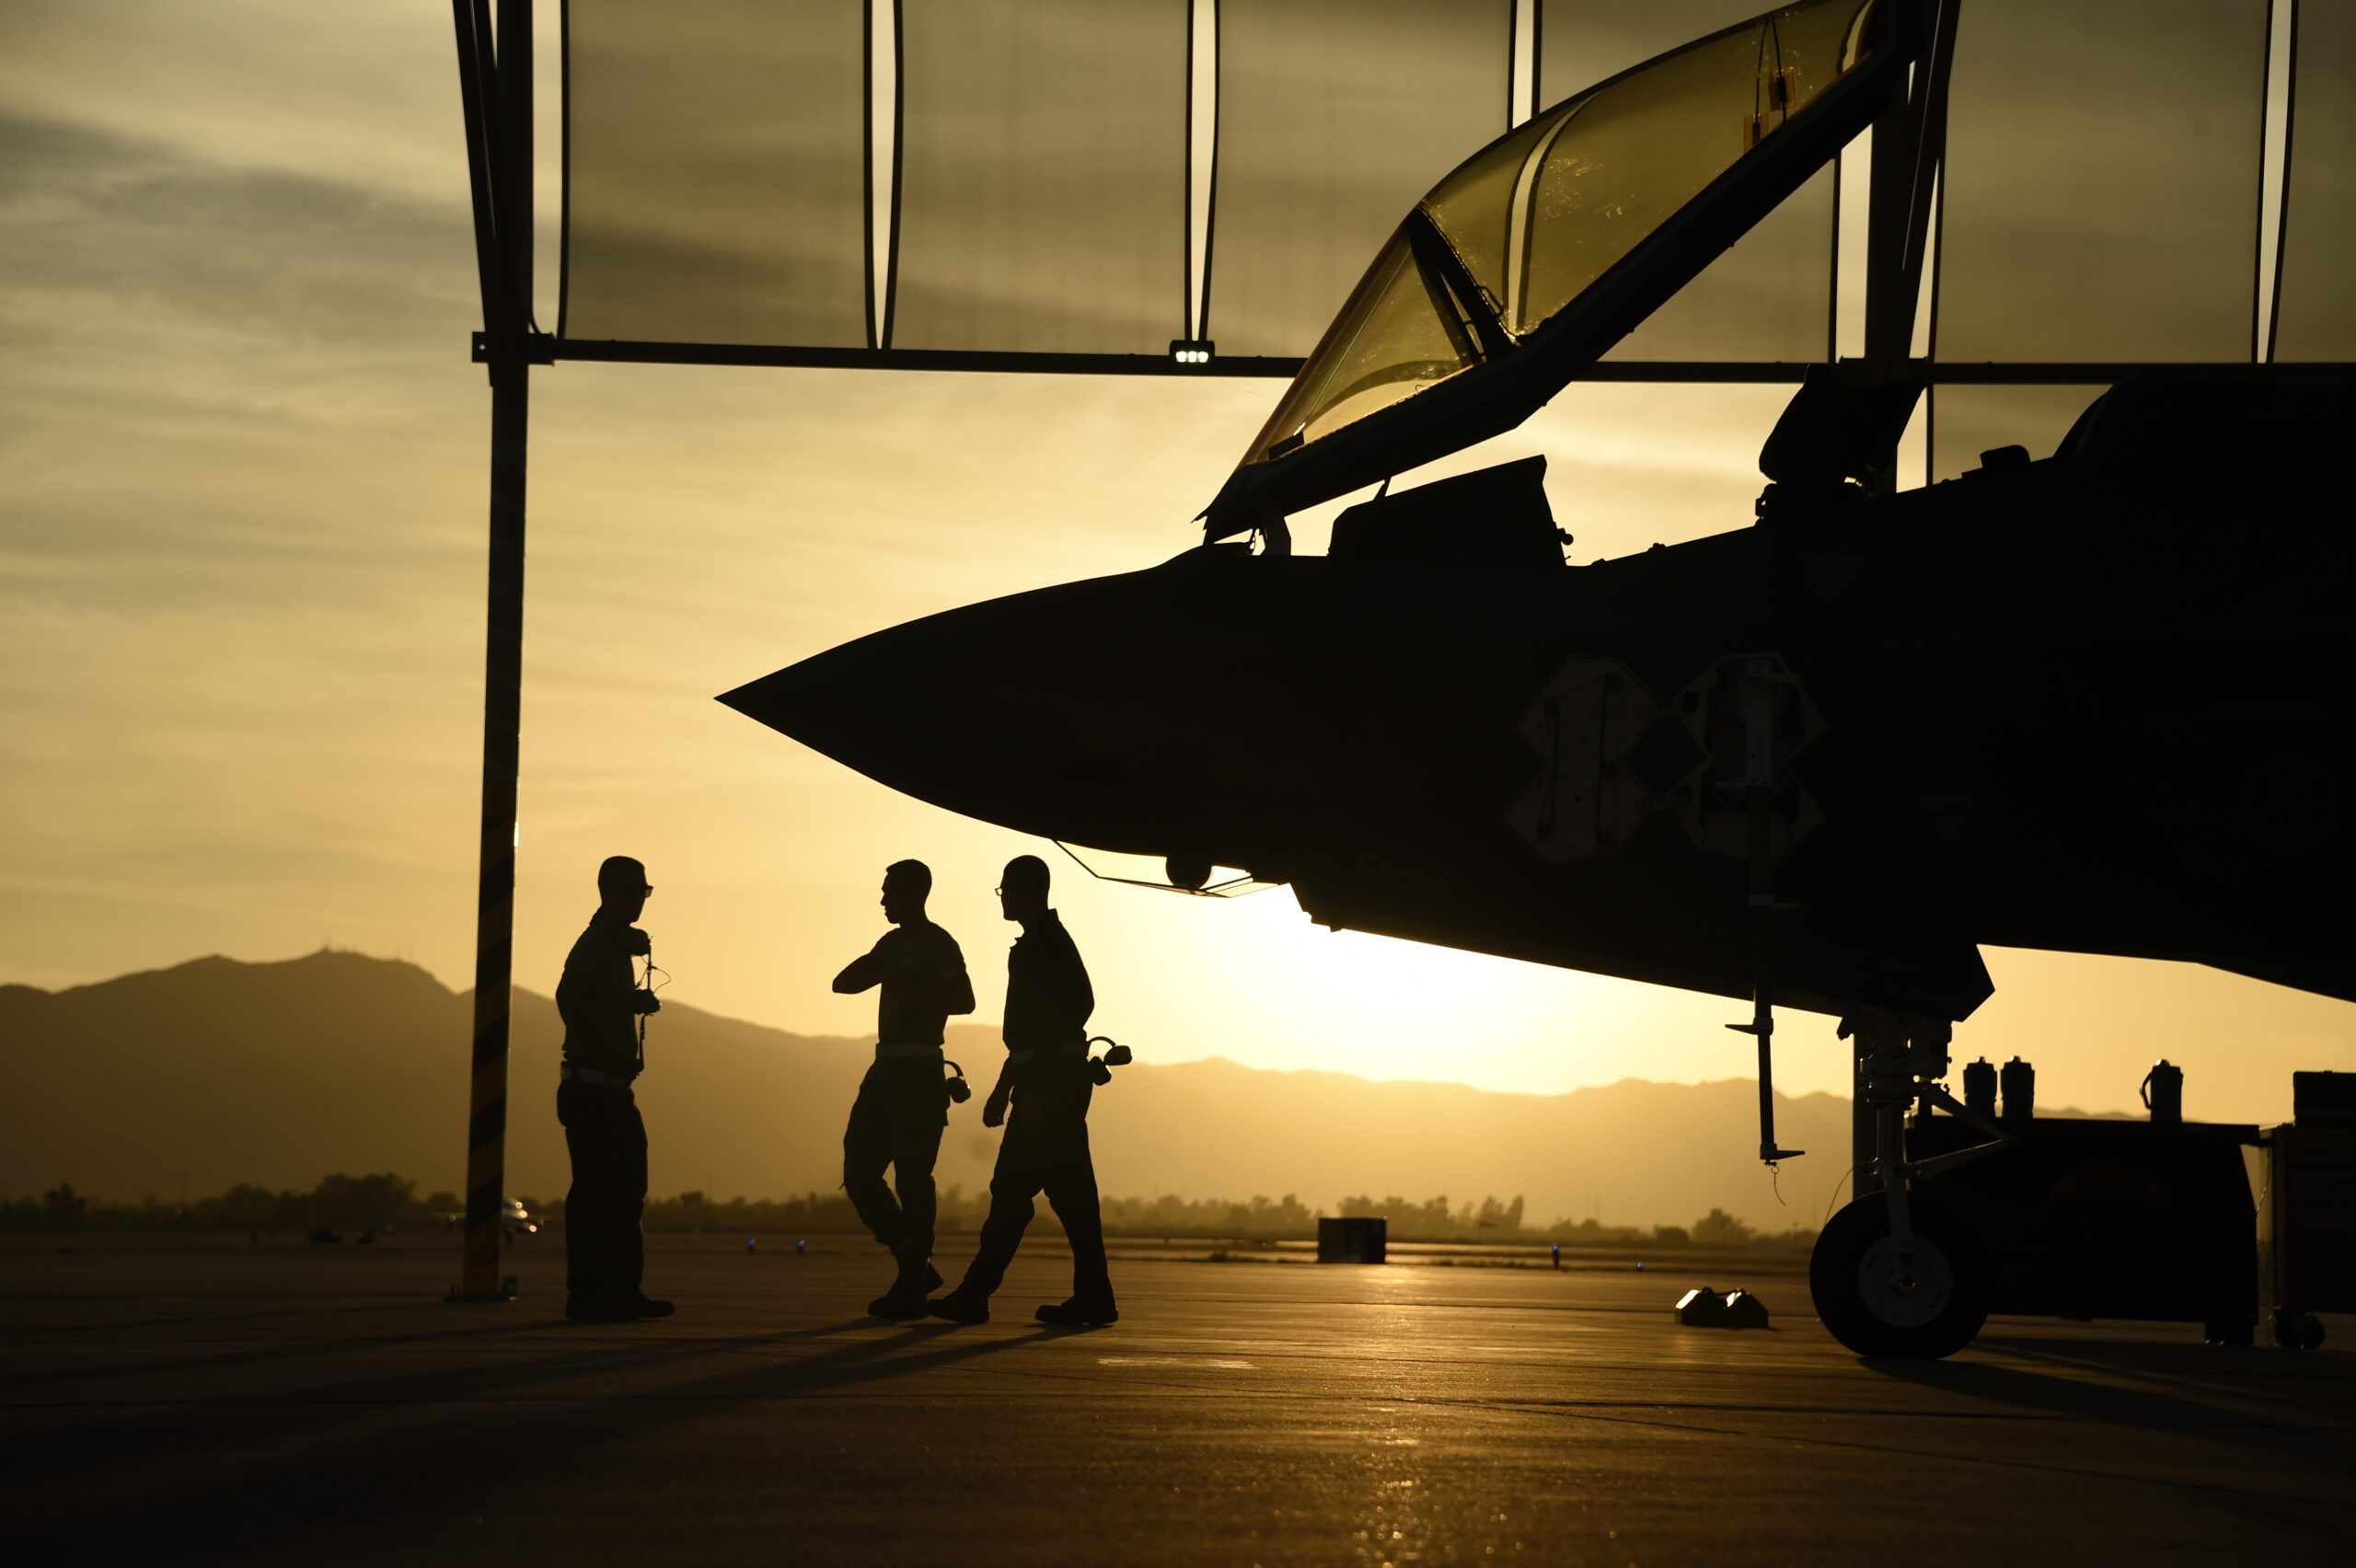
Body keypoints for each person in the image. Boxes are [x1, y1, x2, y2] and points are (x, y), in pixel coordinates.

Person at [930, 855, 1115, 1326]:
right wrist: (1004, 1087)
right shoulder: (1045, 943)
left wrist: (1035, 1091)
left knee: (1011, 1193)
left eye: (1005, 889)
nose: (1002, 897)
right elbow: (1032, 1037)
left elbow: (1063, 1018)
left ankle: (975, 1295)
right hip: (1053, 1085)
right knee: (1074, 1202)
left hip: (1049, 1090)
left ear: (1025, 890)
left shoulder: (1042, 946)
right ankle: (1095, 1297)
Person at [835, 859, 975, 1318]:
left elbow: (965, 1000)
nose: (882, 900)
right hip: (886, 1070)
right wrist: (882, 965)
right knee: (859, 1171)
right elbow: (843, 984)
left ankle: (912, 1281)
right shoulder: (891, 944)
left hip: (918, 1071)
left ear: (914, 894)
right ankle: (913, 1262)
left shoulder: (939, 945)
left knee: (913, 1179)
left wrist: (913, 982)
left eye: (890, 892)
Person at [555, 855, 671, 1323]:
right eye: (627, 891)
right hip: (594, 1091)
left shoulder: (612, 948)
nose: (636, 900)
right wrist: (622, 1005)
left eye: (642, 892)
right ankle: (604, 1293)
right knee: (609, 1193)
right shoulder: (595, 949)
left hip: (607, 1090)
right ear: (605, 891)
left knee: (614, 1191)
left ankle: (606, 1291)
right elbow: (571, 1001)